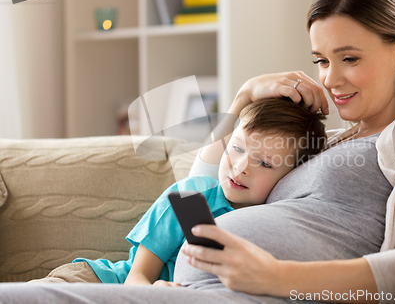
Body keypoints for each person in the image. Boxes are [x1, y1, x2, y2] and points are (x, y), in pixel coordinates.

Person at [0, 0, 395, 303]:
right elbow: (198, 194)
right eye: (321, 60)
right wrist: (243, 97)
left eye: (349, 58)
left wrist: (277, 276)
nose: (331, 79)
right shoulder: (324, 139)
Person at [28, 97, 327, 286]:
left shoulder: (271, 223)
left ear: (291, 177)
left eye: (264, 163)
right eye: (236, 149)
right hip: (100, 283)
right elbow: (138, 275)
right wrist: (156, 295)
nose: (242, 167)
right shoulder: (193, 195)